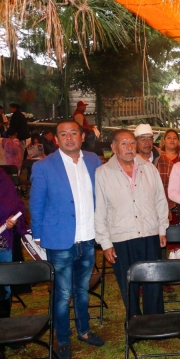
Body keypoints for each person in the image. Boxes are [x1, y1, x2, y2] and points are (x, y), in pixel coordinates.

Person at [30, 120, 105, 359]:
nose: (69, 137)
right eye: (63, 134)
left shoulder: (93, 160)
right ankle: (62, 338)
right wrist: (39, 235)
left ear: (82, 136)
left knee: (82, 289)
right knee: (62, 294)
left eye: (74, 133)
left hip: (88, 238)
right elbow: (36, 203)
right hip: (60, 240)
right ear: (57, 139)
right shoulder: (43, 167)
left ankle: (84, 330)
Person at [95, 129, 168, 319]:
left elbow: (160, 200)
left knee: (153, 279)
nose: (129, 147)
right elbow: (100, 209)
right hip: (121, 237)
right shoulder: (102, 173)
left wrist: (162, 229)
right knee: (128, 282)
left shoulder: (149, 168)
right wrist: (105, 242)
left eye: (132, 143)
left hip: (149, 233)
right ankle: (135, 321)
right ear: (113, 147)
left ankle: (154, 320)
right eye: (123, 143)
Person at [0, 169, 28, 359]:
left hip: (3, 242)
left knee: (4, 289)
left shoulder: (1, 177)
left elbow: (15, 203)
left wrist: (11, 219)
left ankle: (4, 335)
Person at [156, 129, 180, 260]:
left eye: (175, 138)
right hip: (163, 194)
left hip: (179, 196)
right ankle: (171, 250)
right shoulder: (158, 157)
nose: (172, 140)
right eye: (169, 137)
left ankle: (178, 249)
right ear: (164, 140)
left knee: (177, 222)